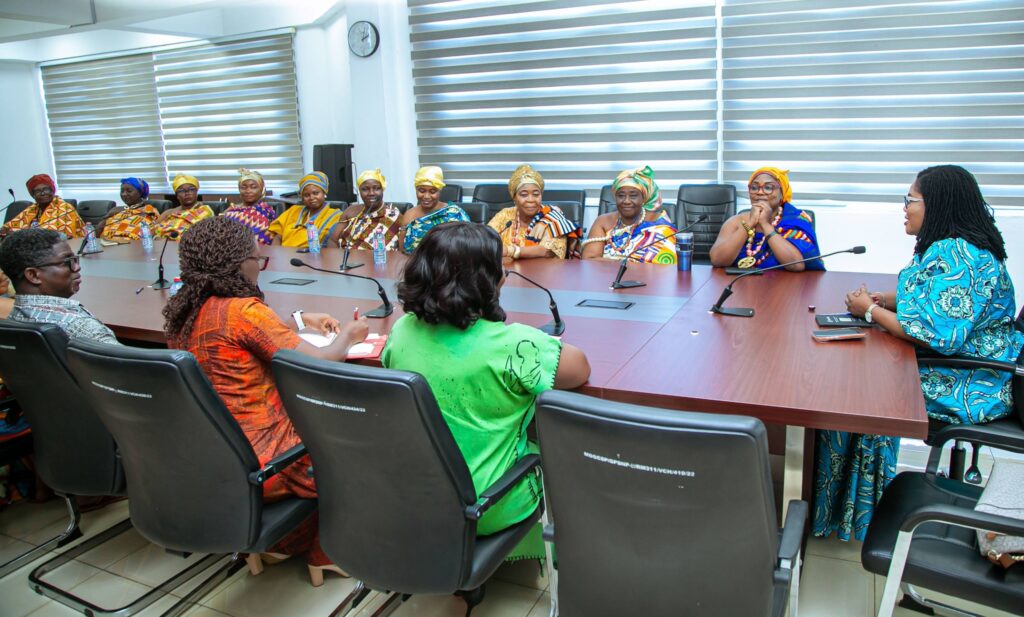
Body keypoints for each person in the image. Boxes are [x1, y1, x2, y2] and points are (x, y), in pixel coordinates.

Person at [814, 164, 1024, 542]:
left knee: (851, 391)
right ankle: (845, 508)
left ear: (937, 204)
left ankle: (853, 517)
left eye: (910, 199)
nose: (904, 208)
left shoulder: (957, 253)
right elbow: (937, 302)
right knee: (856, 371)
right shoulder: (956, 245)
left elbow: (935, 335)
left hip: (973, 379)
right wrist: (888, 300)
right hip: (975, 366)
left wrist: (869, 310)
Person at [163, 217, 369, 585]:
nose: (260, 265)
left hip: (215, 457)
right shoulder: (242, 310)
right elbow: (317, 363)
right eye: (258, 258)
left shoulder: (187, 311)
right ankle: (325, 554)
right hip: (268, 461)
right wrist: (350, 336)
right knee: (354, 443)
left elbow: (251, 333)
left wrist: (299, 318)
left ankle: (280, 544)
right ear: (238, 263)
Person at [382, 221, 590, 560]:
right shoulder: (515, 344)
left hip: (414, 494)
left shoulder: (402, 329)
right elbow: (580, 369)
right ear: (493, 281)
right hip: (487, 505)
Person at [0, 228, 117, 344]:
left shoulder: (13, 317)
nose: (77, 267)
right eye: (67, 261)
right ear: (33, 275)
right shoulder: (81, 327)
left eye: (75, 260)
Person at [709, 167, 822, 271]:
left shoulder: (795, 221)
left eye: (768, 187)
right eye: (754, 187)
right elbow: (718, 260)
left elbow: (796, 265)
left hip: (784, 286)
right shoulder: (736, 221)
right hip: (740, 285)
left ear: (782, 194)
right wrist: (750, 224)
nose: (760, 192)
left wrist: (765, 225)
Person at [581, 165, 677, 264]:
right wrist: (622, 265)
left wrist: (613, 263)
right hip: (606, 277)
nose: (626, 201)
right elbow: (589, 260)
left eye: (633, 196)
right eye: (621, 196)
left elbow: (663, 268)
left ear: (644, 198)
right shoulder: (603, 221)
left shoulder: (659, 225)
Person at [487, 164, 581, 260]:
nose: (531, 200)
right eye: (524, 195)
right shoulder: (505, 214)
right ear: (514, 198)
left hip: (543, 272)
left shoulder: (552, 217)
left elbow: (547, 251)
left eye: (536, 194)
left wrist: (510, 251)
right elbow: (485, 239)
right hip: (505, 272)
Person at [397, 166, 469, 253]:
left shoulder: (454, 213)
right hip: (414, 263)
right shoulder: (409, 214)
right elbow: (401, 251)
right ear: (416, 190)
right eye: (422, 191)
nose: (426, 196)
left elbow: (466, 246)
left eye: (432, 191)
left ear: (439, 191)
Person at [267, 172, 343, 248]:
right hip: (284, 255)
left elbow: (334, 244)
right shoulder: (293, 211)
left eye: (316, 193)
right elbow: (278, 236)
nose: (311, 197)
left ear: (324, 193)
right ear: (302, 198)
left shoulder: (335, 216)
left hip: (315, 257)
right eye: (306, 195)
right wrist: (275, 255)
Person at [0, 174, 84, 239]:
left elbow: (54, 235)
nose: (43, 193)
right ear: (33, 195)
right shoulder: (32, 209)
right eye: (38, 191)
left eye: (46, 189)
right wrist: (6, 231)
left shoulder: (65, 208)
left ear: (53, 190)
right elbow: (9, 227)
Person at [337, 169, 402, 251]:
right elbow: (332, 240)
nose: (371, 193)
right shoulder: (351, 211)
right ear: (359, 191)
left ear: (382, 190)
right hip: (345, 260)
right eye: (365, 189)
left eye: (376, 188)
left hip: (379, 261)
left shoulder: (394, 216)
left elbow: (402, 251)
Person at [222, 168, 277, 245]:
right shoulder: (231, 210)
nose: (248, 191)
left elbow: (269, 237)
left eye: (253, 187)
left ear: (261, 189)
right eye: (243, 187)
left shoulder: (266, 212)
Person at [153, 173, 214, 239]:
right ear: (177, 196)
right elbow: (152, 231)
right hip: (163, 245)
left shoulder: (204, 211)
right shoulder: (168, 213)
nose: (187, 193)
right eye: (181, 191)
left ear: (197, 192)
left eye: (191, 189)